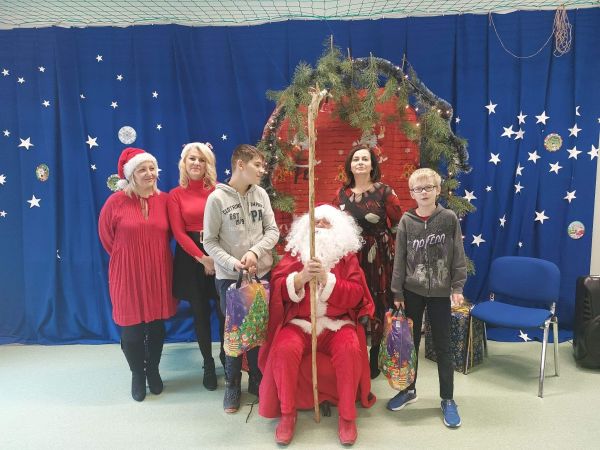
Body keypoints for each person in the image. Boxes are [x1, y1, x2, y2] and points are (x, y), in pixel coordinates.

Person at [258, 204, 376, 446]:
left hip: (336, 324)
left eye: (326, 222)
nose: (320, 225)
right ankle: (288, 414)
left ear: (338, 229)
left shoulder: (347, 258)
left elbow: (356, 294)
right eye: (316, 222)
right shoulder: (295, 254)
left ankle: (347, 417)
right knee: (283, 349)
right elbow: (278, 288)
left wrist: (326, 279)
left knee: (350, 349)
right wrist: (300, 278)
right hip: (300, 323)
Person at [203, 144, 279, 413]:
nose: (262, 170)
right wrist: (232, 263)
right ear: (240, 165)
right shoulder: (217, 199)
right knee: (234, 333)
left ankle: (256, 379)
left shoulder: (261, 194)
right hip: (230, 278)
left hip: (260, 274)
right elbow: (209, 241)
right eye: (257, 165)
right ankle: (232, 384)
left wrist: (255, 252)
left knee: (257, 329)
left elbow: (272, 231)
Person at [388, 167, 467, 428]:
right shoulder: (406, 221)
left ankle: (447, 398)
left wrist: (457, 287)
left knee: (443, 346)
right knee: (408, 345)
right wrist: (397, 291)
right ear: (412, 193)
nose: (423, 192)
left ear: (437, 190)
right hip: (412, 292)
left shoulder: (449, 218)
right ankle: (408, 390)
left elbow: (458, 254)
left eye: (428, 188)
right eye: (418, 189)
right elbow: (400, 258)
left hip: (441, 293)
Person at [98, 147, 177, 402]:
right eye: (142, 169)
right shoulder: (115, 202)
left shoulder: (165, 200)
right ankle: (137, 374)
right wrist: (130, 257)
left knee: (156, 328)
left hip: (158, 271)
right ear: (131, 174)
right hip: (127, 273)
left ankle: (152, 369)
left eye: (152, 168)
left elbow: (171, 233)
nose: (149, 173)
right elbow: (107, 237)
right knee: (131, 333)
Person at [335, 145, 402, 379]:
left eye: (365, 159)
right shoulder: (342, 194)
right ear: (350, 165)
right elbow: (337, 225)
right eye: (356, 159)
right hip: (352, 256)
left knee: (378, 302)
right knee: (355, 301)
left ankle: (375, 355)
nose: (360, 162)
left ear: (372, 165)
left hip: (379, 255)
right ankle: (356, 351)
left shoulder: (385, 192)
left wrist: (393, 253)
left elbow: (398, 225)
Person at [168, 142, 225, 391]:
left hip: (219, 251)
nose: (196, 163)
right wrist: (202, 258)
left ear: (208, 164)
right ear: (184, 162)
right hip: (191, 258)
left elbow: (226, 226)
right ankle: (208, 364)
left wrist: (214, 257)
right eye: (192, 158)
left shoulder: (219, 191)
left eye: (202, 160)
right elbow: (179, 233)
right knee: (200, 313)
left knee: (224, 312)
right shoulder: (175, 195)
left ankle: (227, 357)